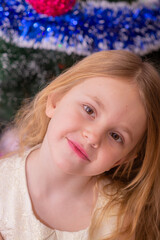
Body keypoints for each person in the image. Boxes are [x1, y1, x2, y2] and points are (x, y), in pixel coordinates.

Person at [0, 50, 160, 240]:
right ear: (55, 101)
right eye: (89, 110)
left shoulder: (120, 223)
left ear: (122, 159)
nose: (93, 137)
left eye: (116, 136)